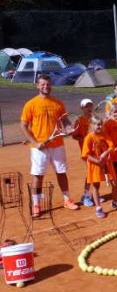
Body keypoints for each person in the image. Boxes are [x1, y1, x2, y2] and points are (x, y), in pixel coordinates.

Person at [20, 74, 80, 216]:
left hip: (57, 145)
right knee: (38, 175)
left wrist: (69, 128)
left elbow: (64, 121)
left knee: (61, 172)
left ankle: (67, 200)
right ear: (37, 86)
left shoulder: (58, 103)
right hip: (38, 148)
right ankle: (36, 204)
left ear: (51, 85)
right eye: (42, 84)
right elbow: (23, 125)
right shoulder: (31, 104)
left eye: (48, 84)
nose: (45, 86)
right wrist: (35, 142)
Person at [81, 116, 117, 217]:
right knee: (96, 186)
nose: (100, 126)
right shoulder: (89, 137)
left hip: (107, 162)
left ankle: (115, 202)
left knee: (114, 183)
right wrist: (97, 161)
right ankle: (98, 208)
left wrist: (104, 154)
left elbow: (111, 146)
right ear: (92, 125)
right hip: (95, 165)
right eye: (97, 124)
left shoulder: (104, 134)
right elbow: (85, 155)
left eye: (101, 124)